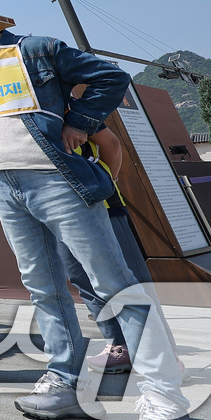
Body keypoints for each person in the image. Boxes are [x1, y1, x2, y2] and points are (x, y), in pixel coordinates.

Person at [0, 0, 191, 420]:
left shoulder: (38, 49)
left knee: (115, 284)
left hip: (56, 180)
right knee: (43, 287)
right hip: (3, 187)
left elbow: (111, 76)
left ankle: (166, 402)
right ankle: (63, 382)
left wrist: (80, 122)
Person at [63, 119, 152, 375]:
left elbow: (111, 144)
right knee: (84, 282)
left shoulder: (69, 107)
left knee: (128, 281)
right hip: (59, 213)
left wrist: (105, 183)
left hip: (103, 207)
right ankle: (118, 346)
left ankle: (157, 349)